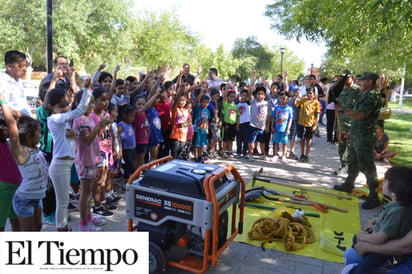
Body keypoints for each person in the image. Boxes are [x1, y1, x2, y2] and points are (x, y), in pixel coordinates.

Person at [342, 166, 412, 274]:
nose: (382, 184)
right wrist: (377, 225)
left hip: (385, 252)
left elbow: (381, 239)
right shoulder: (400, 205)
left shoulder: (396, 212)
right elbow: (391, 224)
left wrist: (365, 238)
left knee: (363, 267)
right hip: (386, 242)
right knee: (355, 242)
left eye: (386, 182)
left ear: (394, 191)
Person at [47, 79, 93, 231]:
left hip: (65, 164)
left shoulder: (63, 122)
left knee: (64, 201)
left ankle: (64, 227)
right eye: (61, 106)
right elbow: (78, 111)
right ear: (50, 106)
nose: (66, 108)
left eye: (67, 105)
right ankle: (62, 229)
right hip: (60, 165)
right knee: (63, 201)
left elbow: (71, 136)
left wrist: (75, 132)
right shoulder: (55, 118)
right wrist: (87, 90)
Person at [333, 72, 383, 209]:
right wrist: (350, 133)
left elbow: (361, 115)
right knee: (352, 161)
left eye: (362, 81)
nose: (359, 82)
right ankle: (349, 184)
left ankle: (374, 196)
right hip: (357, 134)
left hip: (365, 137)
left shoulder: (372, 97)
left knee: (366, 165)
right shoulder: (364, 95)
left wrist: (343, 110)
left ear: (370, 82)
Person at [1, 94, 48, 231]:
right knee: (28, 233)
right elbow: (12, 127)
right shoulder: (20, 152)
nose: (41, 134)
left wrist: (16, 113)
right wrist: (2, 101)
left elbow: (21, 121)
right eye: (39, 132)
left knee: (38, 227)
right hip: (24, 199)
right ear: (29, 136)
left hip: (37, 197)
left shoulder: (34, 148)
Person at [72, 90, 111, 231]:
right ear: (78, 104)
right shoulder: (80, 119)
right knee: (85, 193)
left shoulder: (88, 117)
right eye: (88, 103)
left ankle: (88, 217)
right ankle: (83, 223)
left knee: (88, 191)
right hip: (85, 160)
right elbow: (87, 140)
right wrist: (100, 125)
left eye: (92, 102)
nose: (91, 105)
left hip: (92, 158)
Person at [0, 103, 22, 231]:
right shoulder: (9, 143)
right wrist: (3, 104)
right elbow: (14, 123)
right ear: (4, 130)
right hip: (5, 188)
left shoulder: (9, 144)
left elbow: (17, 122)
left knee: (16, 221)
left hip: (13, 188)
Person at [334, 74, 361, 175]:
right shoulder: (339, 90)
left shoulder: (358, 91)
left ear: (352, 78)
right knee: (342, 145)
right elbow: (336, 107)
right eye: (342, 78)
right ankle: (343, 165)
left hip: (354, 123)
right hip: (342, 123)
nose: (344, 80)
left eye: (346, 78)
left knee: (352, 146)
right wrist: (335, 123)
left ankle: (352, 167)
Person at [0, 50, 31, 117]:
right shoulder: (3, 83)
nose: (24, 69)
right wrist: (21, 116)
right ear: (9, 67)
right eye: (20, 66)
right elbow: (3, 108)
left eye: (25, 65)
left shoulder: (18, 79)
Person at [295, 87, 321, 162]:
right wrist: (296, 96)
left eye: (311, 93)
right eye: (308, 93)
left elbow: (317, 115)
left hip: (310, 124)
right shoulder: (302, 100)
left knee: (308, 139)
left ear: (314, 94)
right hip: (301, 123)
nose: (309, 95)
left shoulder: (316, 103)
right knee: (301, 139)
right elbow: (296, 106)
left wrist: (315, 125)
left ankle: (307, 155)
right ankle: (302, 154)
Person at [247, 86, 270, 162]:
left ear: (265, 95)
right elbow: (249, 94)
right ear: (255, 95)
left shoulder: (267, 104)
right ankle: (250, 154)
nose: (260, 96)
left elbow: (269, 116)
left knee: (262, 142)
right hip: (253, 125)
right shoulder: (254, 102)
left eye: (262, 94)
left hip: (262, 127)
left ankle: (263, 154)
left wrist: (267, 126)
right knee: (251, 141)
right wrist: (252, 83)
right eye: (258, 94)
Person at [271, 91, 293, 164]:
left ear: (287, 99)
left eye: (283, 98)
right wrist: (272, 126)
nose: (282, 100)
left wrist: (288, 128)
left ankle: (284, 155)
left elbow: (290, 119)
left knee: (284, 143)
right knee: (276, 142)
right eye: (280, 98)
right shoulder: (277, 107)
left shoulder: (289, 109)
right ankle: (275, 154)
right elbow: (273, 117)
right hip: (277, 128)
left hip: (284, 129)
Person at [118, 104, 136, 180]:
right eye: (131, 116)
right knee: (131, 166)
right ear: (124, 115)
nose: (133, 118)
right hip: (126, 149)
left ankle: (126, 180)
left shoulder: (130, 125)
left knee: (128, 168)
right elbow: (118, 135)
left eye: (133, 116)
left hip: (132, 148)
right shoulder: (121, 125)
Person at [221, 89, 239, 158]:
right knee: (225, 139)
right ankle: (223, 151)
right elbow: (224, 97)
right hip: (226, 124)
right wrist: (226, 88)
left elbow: (237, 115)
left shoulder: (235, 106)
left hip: (233, 124)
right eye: (231, 96)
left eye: (233, 97)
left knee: (231, 139)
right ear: (228, 97)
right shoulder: (225, 104)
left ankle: (230, 151)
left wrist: (237, 124)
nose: (232, 98)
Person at [193, 93, 210, 162]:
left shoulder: (207, 111)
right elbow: (197, 102)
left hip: (204, 129)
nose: (205, 104)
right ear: (200, 102)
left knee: (202, 144)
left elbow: (207, 120)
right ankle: (196, 157)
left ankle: (200, 156)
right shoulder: (198, 109)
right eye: (204, 102)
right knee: (196, 145)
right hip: (197, 129)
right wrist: (201, 92)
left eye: (207, 102)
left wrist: (207, 129)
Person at [236, 88, 251, 157]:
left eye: (246, 95)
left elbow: (250, 95)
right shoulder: (237, 104)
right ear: (240, 95)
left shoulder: (248, 103)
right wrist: (237, 124)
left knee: (246, 139)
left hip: (246, 123)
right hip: (239, 123)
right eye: (243, 95)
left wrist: (250, 87)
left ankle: (245, 152)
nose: (244, 97)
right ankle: (238, 152)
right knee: (239, 139)